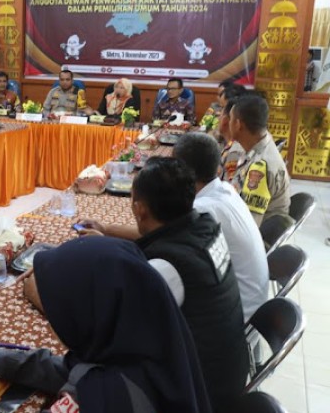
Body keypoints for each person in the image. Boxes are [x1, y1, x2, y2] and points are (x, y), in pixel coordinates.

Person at [0, 236, 212, 413]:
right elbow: (75, 369)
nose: (52, 323)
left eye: (58, 312)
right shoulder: (152, 344)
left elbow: (82, 379)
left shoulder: (103, 396)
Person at [77, 158, 249, 411]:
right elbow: (156, 241)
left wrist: (38, 290)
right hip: (229, 372)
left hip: (203, 394)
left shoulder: (169, 267)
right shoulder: (203, 224)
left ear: (141, 209)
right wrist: (106, 234)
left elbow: (103, 324)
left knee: (88, 370)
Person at [174, 132, 269, 321]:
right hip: (252, 302)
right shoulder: (225, 189)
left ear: (183, 172)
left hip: (240, 316)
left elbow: (162, 236)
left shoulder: (203, 209)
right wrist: (108, 229)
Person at [229, 94, 291, 226]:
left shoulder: (260, 166)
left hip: (260, 234)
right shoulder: (262, 139)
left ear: (238, 124)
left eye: (230, 118)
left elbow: (248, 224)